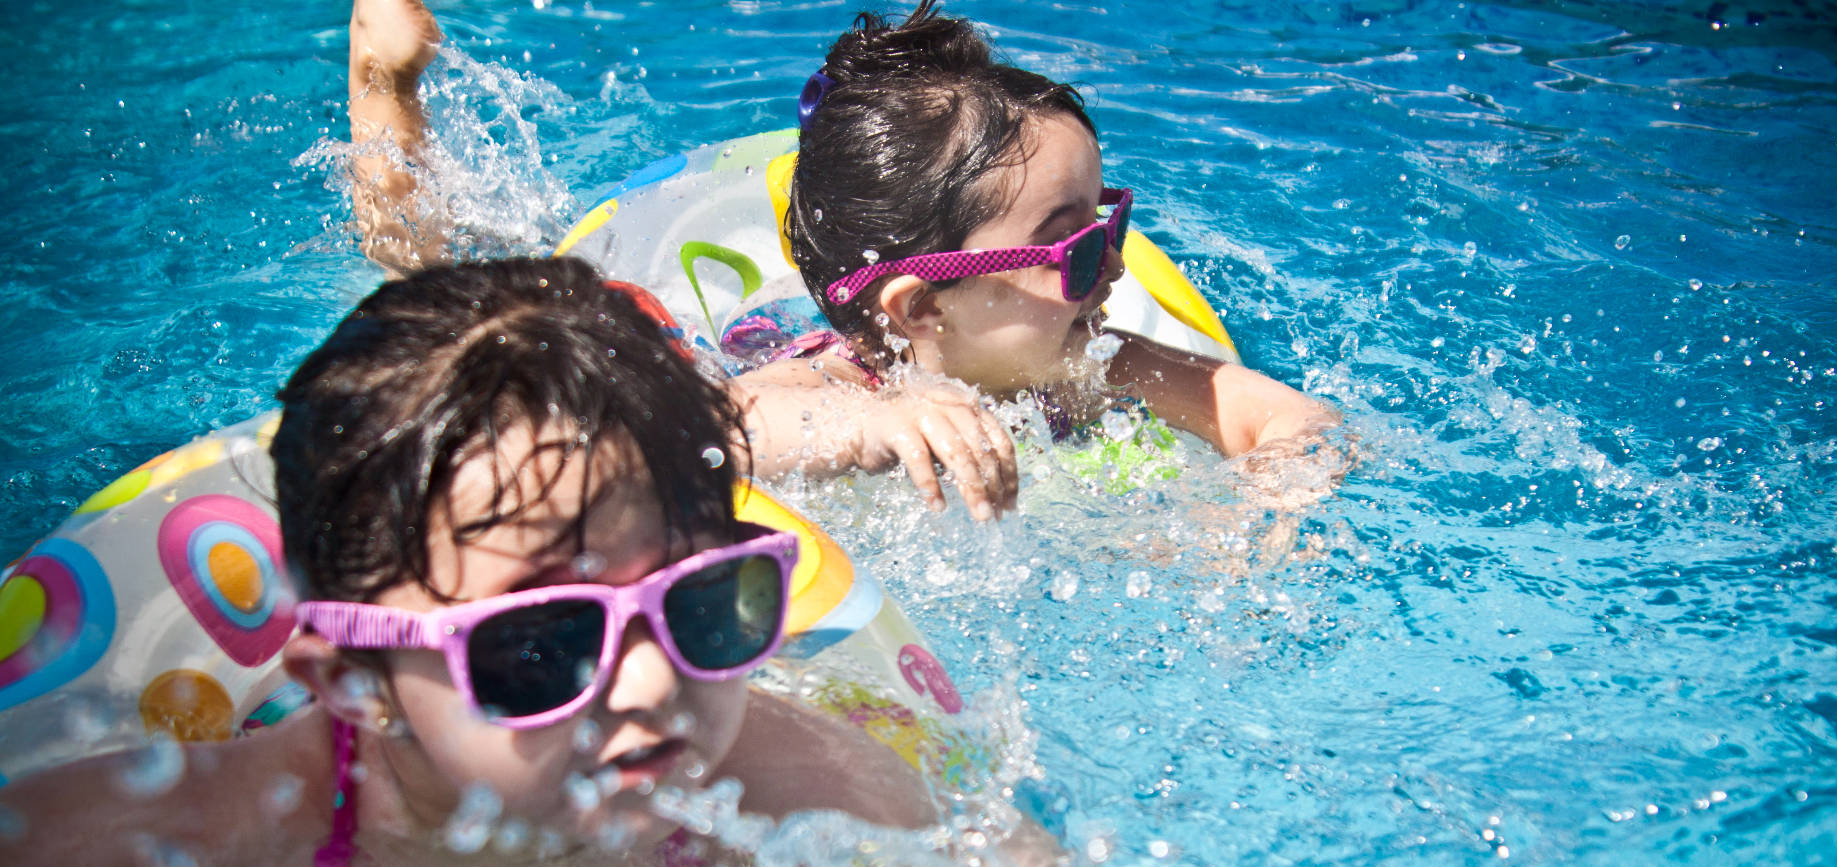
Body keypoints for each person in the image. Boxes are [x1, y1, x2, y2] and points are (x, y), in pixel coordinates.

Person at [0, 256, 935, 867]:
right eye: (543, 643)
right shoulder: (199, 840)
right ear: (355, 681)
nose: (654, 683)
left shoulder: (796, 790)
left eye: (700, 606)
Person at [346, 0, 1341, 524]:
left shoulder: (1100, 361)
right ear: (916, 310)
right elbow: (716, 437)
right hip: (718, 346)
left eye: (1111, 227)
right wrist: (872, 420)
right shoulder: (835, 378)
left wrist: (1276, 501)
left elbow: (1282, 417)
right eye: (1075, 251)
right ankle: (385, 86)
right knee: (444, 299)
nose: (1112, 273)